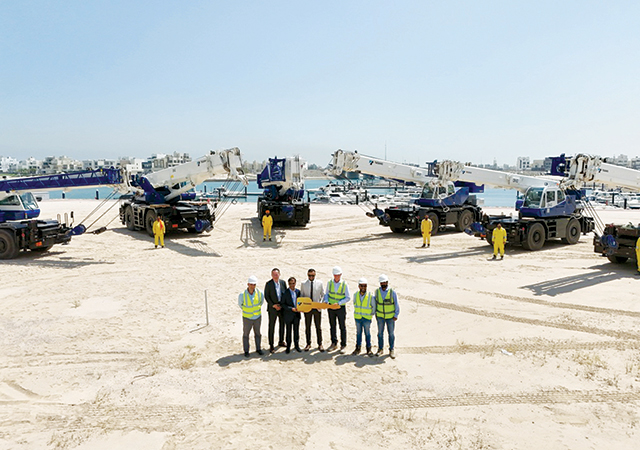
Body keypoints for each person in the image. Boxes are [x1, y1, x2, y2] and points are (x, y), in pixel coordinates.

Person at [324, 266, 350, 353]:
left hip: (340, 308)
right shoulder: (330, 283)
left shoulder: (344, 284)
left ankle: (343, 345)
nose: (336, 277)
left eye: (338, 275)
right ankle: (334, 343)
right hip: (331, 307)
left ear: (341, 275)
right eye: (335, 275)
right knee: (332, 326)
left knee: (342, 326)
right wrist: (326, 301)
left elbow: (348, 297)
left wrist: (339, 303)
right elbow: (326, 294)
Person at [373, 274, 399, 359]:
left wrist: (396, 315)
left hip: (390, 317)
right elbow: (375, 303)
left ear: (387, 282)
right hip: (380, 317)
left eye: (385, 282)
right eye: (382, 283)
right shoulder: (377, 292)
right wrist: (375, 314)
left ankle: (391, 349)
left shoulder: (392, 292)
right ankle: (380, 349)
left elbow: (396, 304)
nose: (383, 284)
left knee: (391, 334)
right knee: (380, 334)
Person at [238, 275, 264, 357]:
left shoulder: (260, 293)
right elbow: (240, 304)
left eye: (254, 284)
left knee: (258, 334)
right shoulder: (242, 295)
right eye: (251, 284)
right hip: (247, 318)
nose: (253, 286)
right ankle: (246, 351)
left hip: (257, 317)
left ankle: (258, 349)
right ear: (248, 284)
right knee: (246, 335)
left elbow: (261, 302)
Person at [300, 268, 325, 352]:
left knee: (318, 326)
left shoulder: (319, 283)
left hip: (317, 308)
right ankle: (308, 343)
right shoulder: (303, 284)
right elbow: (302, 296)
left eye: (313, 275)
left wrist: (320, 304)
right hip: (307, 308)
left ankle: (320, 343)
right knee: (308, 326)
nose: (311, 277)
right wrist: (302, 307)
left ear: (315, 275)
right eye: (309, 275)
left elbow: (322, 295)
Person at [264, 268, 287, 353]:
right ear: (271, 275)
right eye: (274, 274)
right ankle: (271, 345)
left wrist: (282, 305)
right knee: (272, 326)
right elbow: (266, 296)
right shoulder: (268, 284)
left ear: (279, 274)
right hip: (272, 308)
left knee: (282, 325)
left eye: (276, 274)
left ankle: (281, 341)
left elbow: (285, 294)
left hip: (281, 308)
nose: (275, 276)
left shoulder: (283, 283)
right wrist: (273, 305)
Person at [352, 277, 374, 356]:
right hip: (358, 318)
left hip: (366, 318)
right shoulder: (355, 295)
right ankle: (358, 348)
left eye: (365, 286)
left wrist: (370, 315)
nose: (363, 287)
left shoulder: (370, 296)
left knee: (367, 333)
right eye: (362, 286)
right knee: (358, 333)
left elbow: (373, 307)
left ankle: (369, 349)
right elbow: (354, 304)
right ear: (359, 286)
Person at [282, 277, 302, 353]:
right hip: (288, 315)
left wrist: (300, 308)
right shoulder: (285, 293)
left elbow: (301, 302)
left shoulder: (298, 292)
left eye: (293, 283)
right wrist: (291, 309)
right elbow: (283, 304)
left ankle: (296, 345)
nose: (292, 285)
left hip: (296, 315)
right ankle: (288, 347)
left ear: (295, 283)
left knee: (296, 331)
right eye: (290, 284)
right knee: (288, 331)